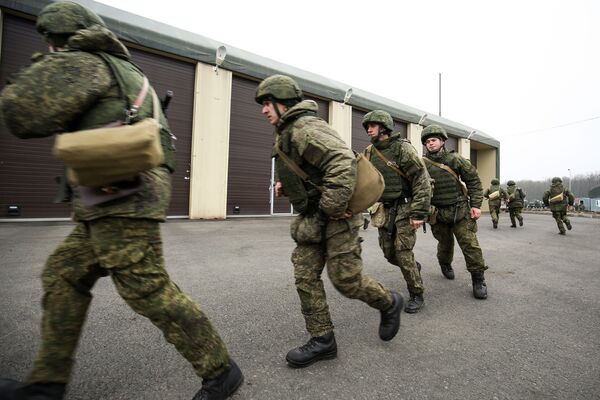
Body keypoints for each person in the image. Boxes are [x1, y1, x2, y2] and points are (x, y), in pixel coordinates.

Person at [0, 3, 242, 399]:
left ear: (60, 38)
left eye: (49, 42)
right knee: (63, 273)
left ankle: (220, 370)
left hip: (121, 199)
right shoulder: (124, 69)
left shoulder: (84, 63)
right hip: (112, 200)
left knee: (147, 290)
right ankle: (46, 383)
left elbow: (19, 112)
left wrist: (40, 66)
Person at [255, 75, 403, 368]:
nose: (263, 110)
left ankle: (389, 302)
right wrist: (290, 186)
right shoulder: (288, 131)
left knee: (346, 280)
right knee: (305, 276)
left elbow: (340, 161)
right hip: (315, 217)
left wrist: (331, 208)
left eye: (267, 103)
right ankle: (323, 340)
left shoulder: (305, 128)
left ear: (282, 102)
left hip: (336, 216)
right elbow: (312, 169)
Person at [361, 110, 431, 313]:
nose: (368, 129)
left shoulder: (403, 148)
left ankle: (417, 293)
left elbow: (421, 179)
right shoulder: (369, 152)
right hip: (384, 209)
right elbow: (365, 181)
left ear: (384, 127)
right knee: (389, 253)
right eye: (366, 126)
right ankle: (413, 267)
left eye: (372, 125)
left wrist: (419, 212)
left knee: (402, 251)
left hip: (406, 207)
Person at [421, 124, 488, 299]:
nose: (430, 144)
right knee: (445, 244)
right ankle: (445, 264)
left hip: (460, 210)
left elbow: (473, 180)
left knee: (470, 244)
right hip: (437, 213)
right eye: (427, 141)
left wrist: (475, 205)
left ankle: (478, 279)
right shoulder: (421, 164)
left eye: (433, 140)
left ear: (442, 141)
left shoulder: (455, 160)